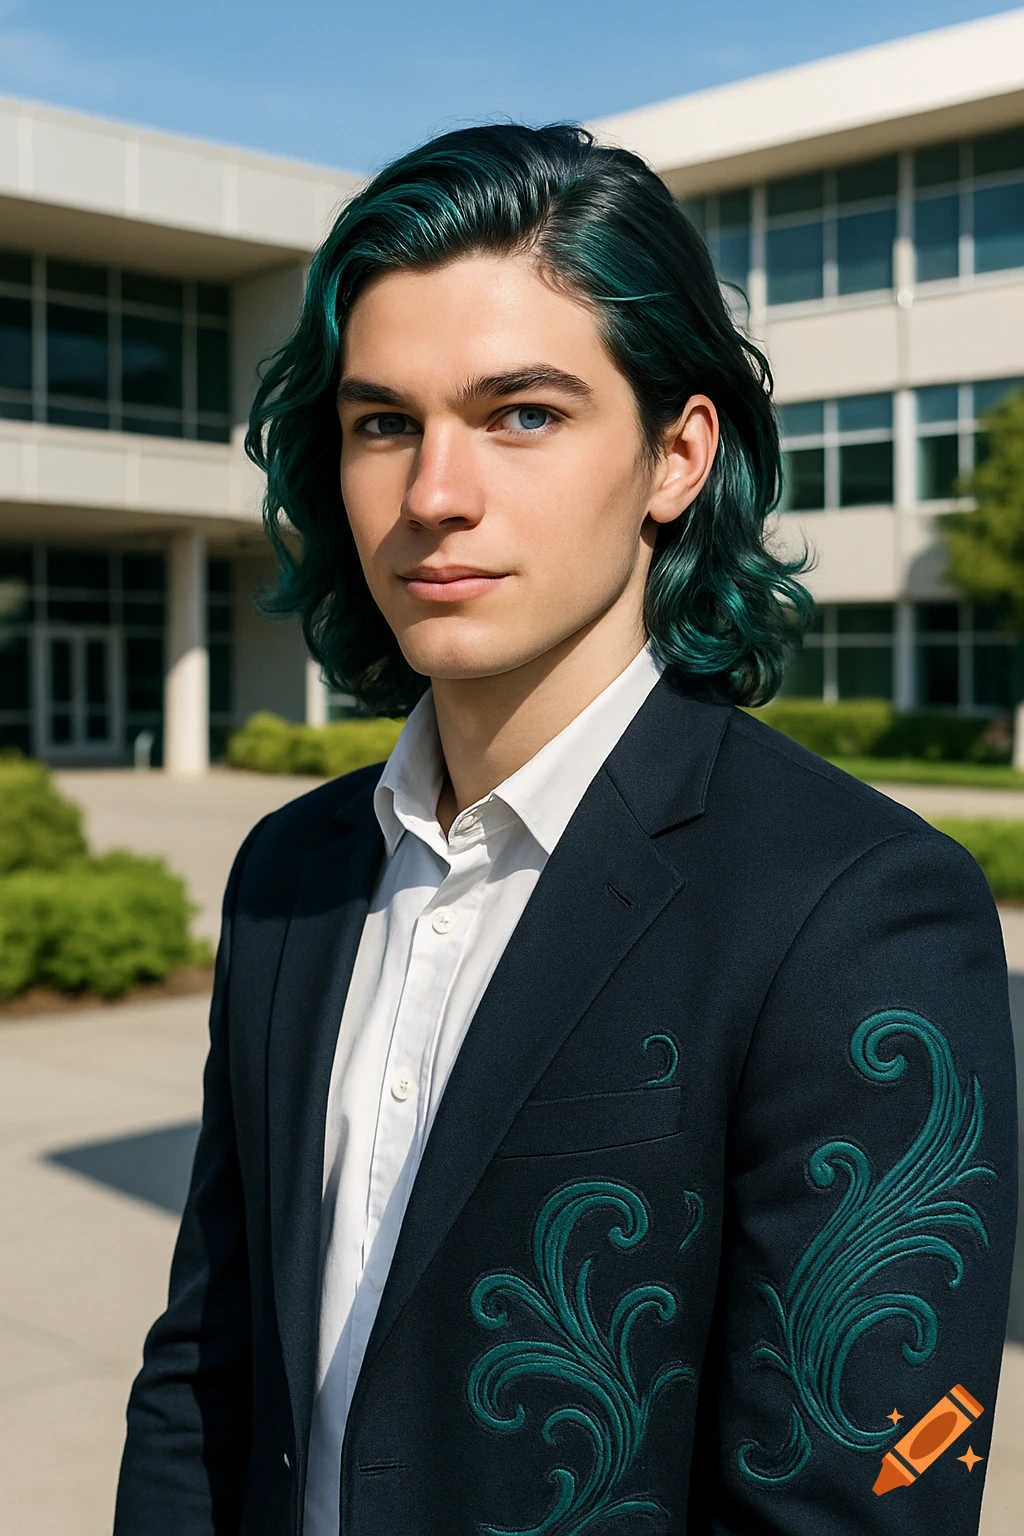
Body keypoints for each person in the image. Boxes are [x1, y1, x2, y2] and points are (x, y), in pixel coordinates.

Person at [114, 124, 1017, 1536]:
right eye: (382, 423)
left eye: (522, 413)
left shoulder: (859, 912)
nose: (433, 496)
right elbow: (207, 1368)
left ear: (676, 455)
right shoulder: (288, 875)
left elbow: (846, 1507)